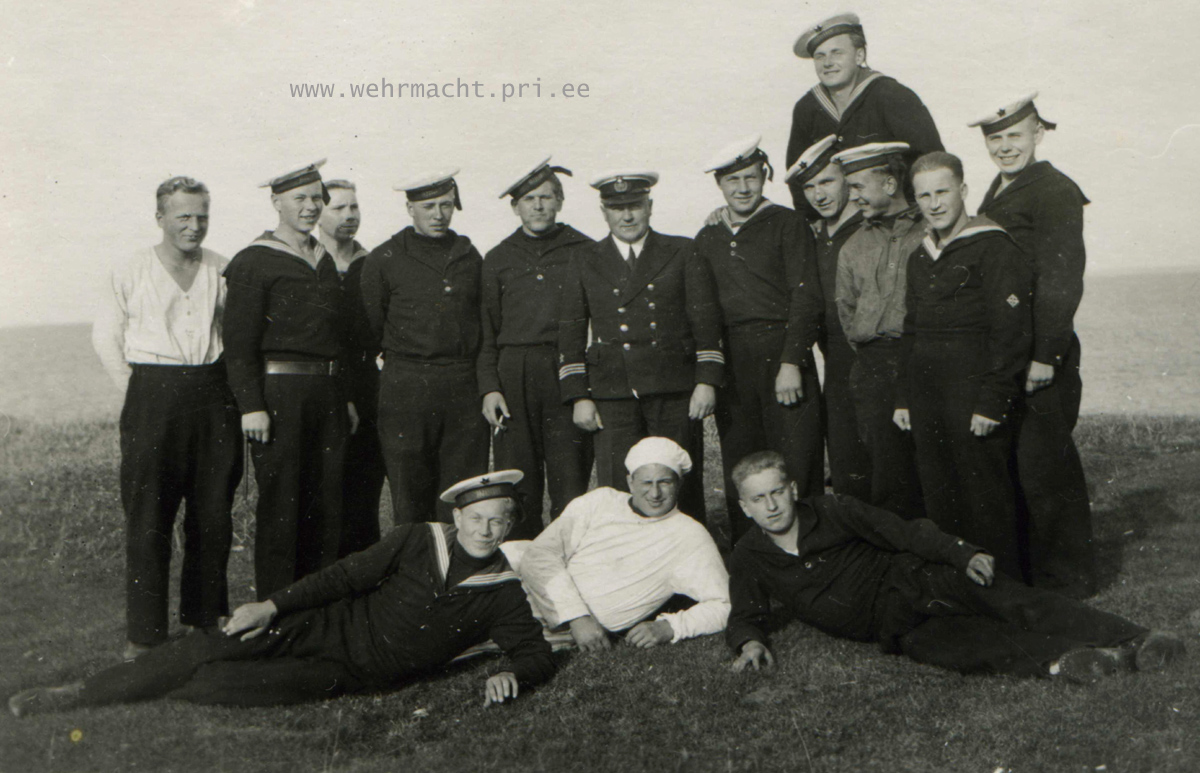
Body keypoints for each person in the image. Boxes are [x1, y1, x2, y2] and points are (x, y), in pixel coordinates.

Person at [8, 472, 555, 717]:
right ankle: (77, 694)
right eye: (476, 518)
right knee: (215, 642)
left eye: (498, 521)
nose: (485, 530)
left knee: (226, 686)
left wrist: (513, 673)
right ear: (457, 517)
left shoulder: (503, 591)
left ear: (511, 525)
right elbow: (342, 577)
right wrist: (270, 605)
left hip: (353, 673)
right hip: (326, 623)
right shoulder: (418, 538)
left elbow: (534, 651)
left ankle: (160, 681)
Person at [725, 451, 1185, 682]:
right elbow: (745, 611)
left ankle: (1138, 639)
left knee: (1013, 601)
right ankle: (1073, 662)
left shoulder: (833, 509)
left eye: (777, 492)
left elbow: (904, 532)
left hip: (918, 579)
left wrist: (962, 553)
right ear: (745, 507)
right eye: (759, 498)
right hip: (893, 626)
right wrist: (749, 642)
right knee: (967, 646)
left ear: (792, 489)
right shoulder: (749, 555)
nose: (772, 506)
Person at [92, 176, 243, 660]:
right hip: (152, 395)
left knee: (213, 512)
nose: (193, 226)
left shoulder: (222, 268)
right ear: (160, 218)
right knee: (149, 517)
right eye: (183, 217)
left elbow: (234, 335)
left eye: (202, 216)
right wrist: (141, 394)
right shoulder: (130, 269)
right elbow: (106, 339)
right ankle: (145, 635)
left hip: (213, 393)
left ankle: (205, 619)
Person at [971, 94, 1096, 598]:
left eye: (1015, 136)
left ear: (1038, 134)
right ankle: (1034, 571)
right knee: (1020, 465)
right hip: (1010, 349)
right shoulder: (1000, 188)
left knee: (1047, 468)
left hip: (1041, 353)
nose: (1005, 147)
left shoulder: (1055, 190)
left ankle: (1071, 579)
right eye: (995, 138)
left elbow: (1062, 279)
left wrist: (1047, 354)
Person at [893, 152, 1031, 581]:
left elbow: (1011, 333)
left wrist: (993, 400)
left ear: (964, 191)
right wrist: (904, 397)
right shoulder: (919, 256)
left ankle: (1004, 588)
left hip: (973, 392)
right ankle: (959, 587)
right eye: (924, 196)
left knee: (985, 493)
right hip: (927, 394)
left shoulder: (993, 246)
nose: (934, 204)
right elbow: (912, 330)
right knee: (940, 493)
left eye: (943, 192)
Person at [223, 160, 358, 600]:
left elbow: (336, 339)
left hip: (328, 395)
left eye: (317, 198)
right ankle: (278, 614)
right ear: (276, 202)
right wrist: (251, 406)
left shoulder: (323, 259)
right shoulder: (254, 261)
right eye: (299, 198)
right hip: (280, 397)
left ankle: (320, 609)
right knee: (283, 507)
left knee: (328, 504)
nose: (310, 206)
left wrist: (345, 398)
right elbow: (238, 344)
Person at [557, 172, 724, 523]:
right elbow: (571, 331)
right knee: (619, 487)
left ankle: (687, 550)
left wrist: (706, 380)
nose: (627, 216)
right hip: (613, 390)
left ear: (649, 206)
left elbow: (705, 322)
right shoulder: (585, 258)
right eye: (617, 208)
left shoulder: (681, 250)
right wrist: (578, 395)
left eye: (634, 206)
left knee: (679, 482)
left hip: (673, 388)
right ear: (604, 212)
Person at [694, 136, 824, 545]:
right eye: (732, 180)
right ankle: (752, 558)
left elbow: (806, 297)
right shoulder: (708, 236)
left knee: (796, 461)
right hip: (735, 361)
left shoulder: (788, 224)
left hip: (782, 353)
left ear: (764, 176)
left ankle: (811, 552)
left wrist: (792, 361)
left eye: (750, 177)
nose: (743, 188)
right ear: (719, 184)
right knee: (742, 463)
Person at [511, 437, 730, 650]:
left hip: (558, 626)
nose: (655, 493)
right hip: (535, 587)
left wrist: (670, 627)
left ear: (679, 483)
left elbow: (725, 604)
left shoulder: (689, 535)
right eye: (646, 483)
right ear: (630, 482)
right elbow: (540, 553)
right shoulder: (601, 501)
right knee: (510, 552)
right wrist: (577, 617)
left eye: (664, 482)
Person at [361, 170, 489, 524]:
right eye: (429, 206)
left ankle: (456, 559)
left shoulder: (468, 256)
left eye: (446, 205)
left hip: (462, 386)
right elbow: (372, 328)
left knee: (462, 493)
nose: (438, 214)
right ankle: (416, 560)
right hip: (407, 387)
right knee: (410, 494)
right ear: (410, 209)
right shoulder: (385, 258)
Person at [478, 158, 594, 539]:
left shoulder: (584, 250)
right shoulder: (498, 258)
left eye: (546, 197)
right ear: (516, 207)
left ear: (560, 201)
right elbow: (487, 331)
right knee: (518, 481)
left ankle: (569, 557)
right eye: (529, 199)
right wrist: (490, 388)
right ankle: (520, 560)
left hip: (566, 370)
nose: (539, 206)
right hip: (514, 373)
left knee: (570, 479)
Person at [833, 142, 925, 519]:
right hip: (872, 368)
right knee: (887, 474)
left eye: (858, 187)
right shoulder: (853, 246)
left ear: (889, 184)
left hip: (922, 361)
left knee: (934, 465)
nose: (853, 197)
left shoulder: (929, 232)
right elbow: (847, 310)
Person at [785, 12, 942, 212]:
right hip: (839, 223)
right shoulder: (807, 108)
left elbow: (931, 162)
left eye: (837, 53)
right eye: (820, 56)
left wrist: (916, 214)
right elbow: (798, 174)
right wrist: (812, 221)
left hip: (896, 217)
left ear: (859, 55)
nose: (827, 63)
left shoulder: (892, 95)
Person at [786, 135, 872, 501]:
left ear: (848, 180)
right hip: (836, 363)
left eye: (827, 182)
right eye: (809, 187)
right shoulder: (814, 235)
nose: (819, 195)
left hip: (873, 357)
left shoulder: (871, 227)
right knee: (845, 461)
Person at [318, 178, 386, 557]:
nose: (349, 215)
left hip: (365, 384)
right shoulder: (307, 262)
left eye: (354, 207)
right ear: (317, 212)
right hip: (321, 384)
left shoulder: (372, 264)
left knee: (364, 488)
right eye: (338, 208)